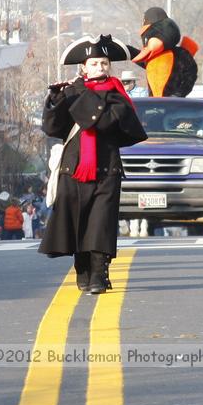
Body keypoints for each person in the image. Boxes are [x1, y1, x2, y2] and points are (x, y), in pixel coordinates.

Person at [39, 34, 147, 294]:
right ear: (83, 68)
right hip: (73, 168)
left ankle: (99, 273)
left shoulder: (117, 95)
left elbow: (103, 121)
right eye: (95, 64)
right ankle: (83, 269)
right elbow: (52, 127)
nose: (100, 68)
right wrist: (55, 101)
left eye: (104, 63)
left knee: (101, 223)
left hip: (106, 168)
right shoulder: (72, 91)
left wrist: (80, 95)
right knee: (77, 223)